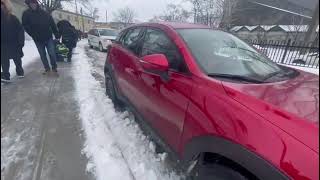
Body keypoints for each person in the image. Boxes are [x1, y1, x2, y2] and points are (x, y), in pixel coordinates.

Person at [22, 0, 59, 74]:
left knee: (51, 53)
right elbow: (25, 25)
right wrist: (32, 34)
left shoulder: (44, 13)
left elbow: (52, 23)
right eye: (31, 3)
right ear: (29, 4)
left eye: (34, 3)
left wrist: (56, 33)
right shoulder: (26, 14)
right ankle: (47, 68)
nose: (33, 5)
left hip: (48, 37)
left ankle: (54, 67)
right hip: (38, 39)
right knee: (42, 55)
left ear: (36, 3)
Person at [1, 0, 25, 83]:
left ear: (6, 6)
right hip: (3, 43)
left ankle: (20, 71)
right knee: (3, 59)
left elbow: (20, 30)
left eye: (2, 4)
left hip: (14, 42)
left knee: (17, 58)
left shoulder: (12, 17)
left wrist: (21, 41)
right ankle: (6, 76)